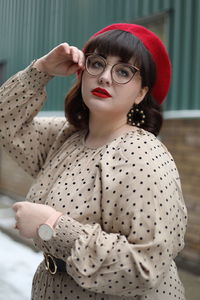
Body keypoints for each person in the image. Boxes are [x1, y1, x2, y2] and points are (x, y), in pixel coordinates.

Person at [0, 23, 187, 300]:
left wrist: (52, 226)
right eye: (97, 64)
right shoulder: (67, 137)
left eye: (124, 71)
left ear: (141, 93)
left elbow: (145, 267)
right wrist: (41, 70)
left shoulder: (143, 156)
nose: (105, 77)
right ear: (82, 72)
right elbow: (6, 121)